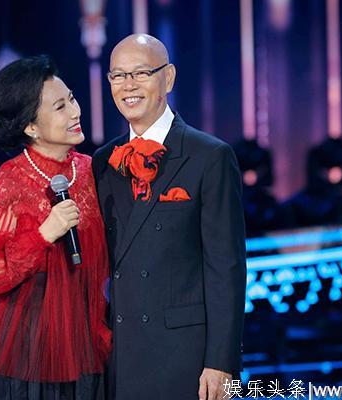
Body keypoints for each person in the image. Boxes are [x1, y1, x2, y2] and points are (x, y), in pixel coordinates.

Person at [92, 34, 247, 400]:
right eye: (117, 76)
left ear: (169, 77)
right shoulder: (102, 162)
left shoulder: (209, 156)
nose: (127, 86)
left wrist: (221, 362)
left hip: (186, 357)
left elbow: (226, 267)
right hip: (121, 355)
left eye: (141, 73)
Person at [0, 55, 111, 399]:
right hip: (29, 351)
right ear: (31, 127)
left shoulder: (92, 170)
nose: (75, 111)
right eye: (60, 107)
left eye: (71, 99)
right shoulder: (8, 184)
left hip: (89, 339)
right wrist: (43, 234)